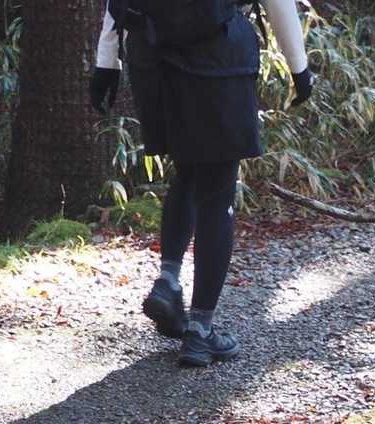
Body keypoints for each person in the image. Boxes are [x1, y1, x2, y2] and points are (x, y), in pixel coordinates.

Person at [89, 0, 312, 368]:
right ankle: (200, 331)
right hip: (216, 57)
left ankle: (168, 281)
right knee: (217, 192)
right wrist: (299, 66)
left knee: (188, 171)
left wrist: (106, 61)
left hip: (152, 58)